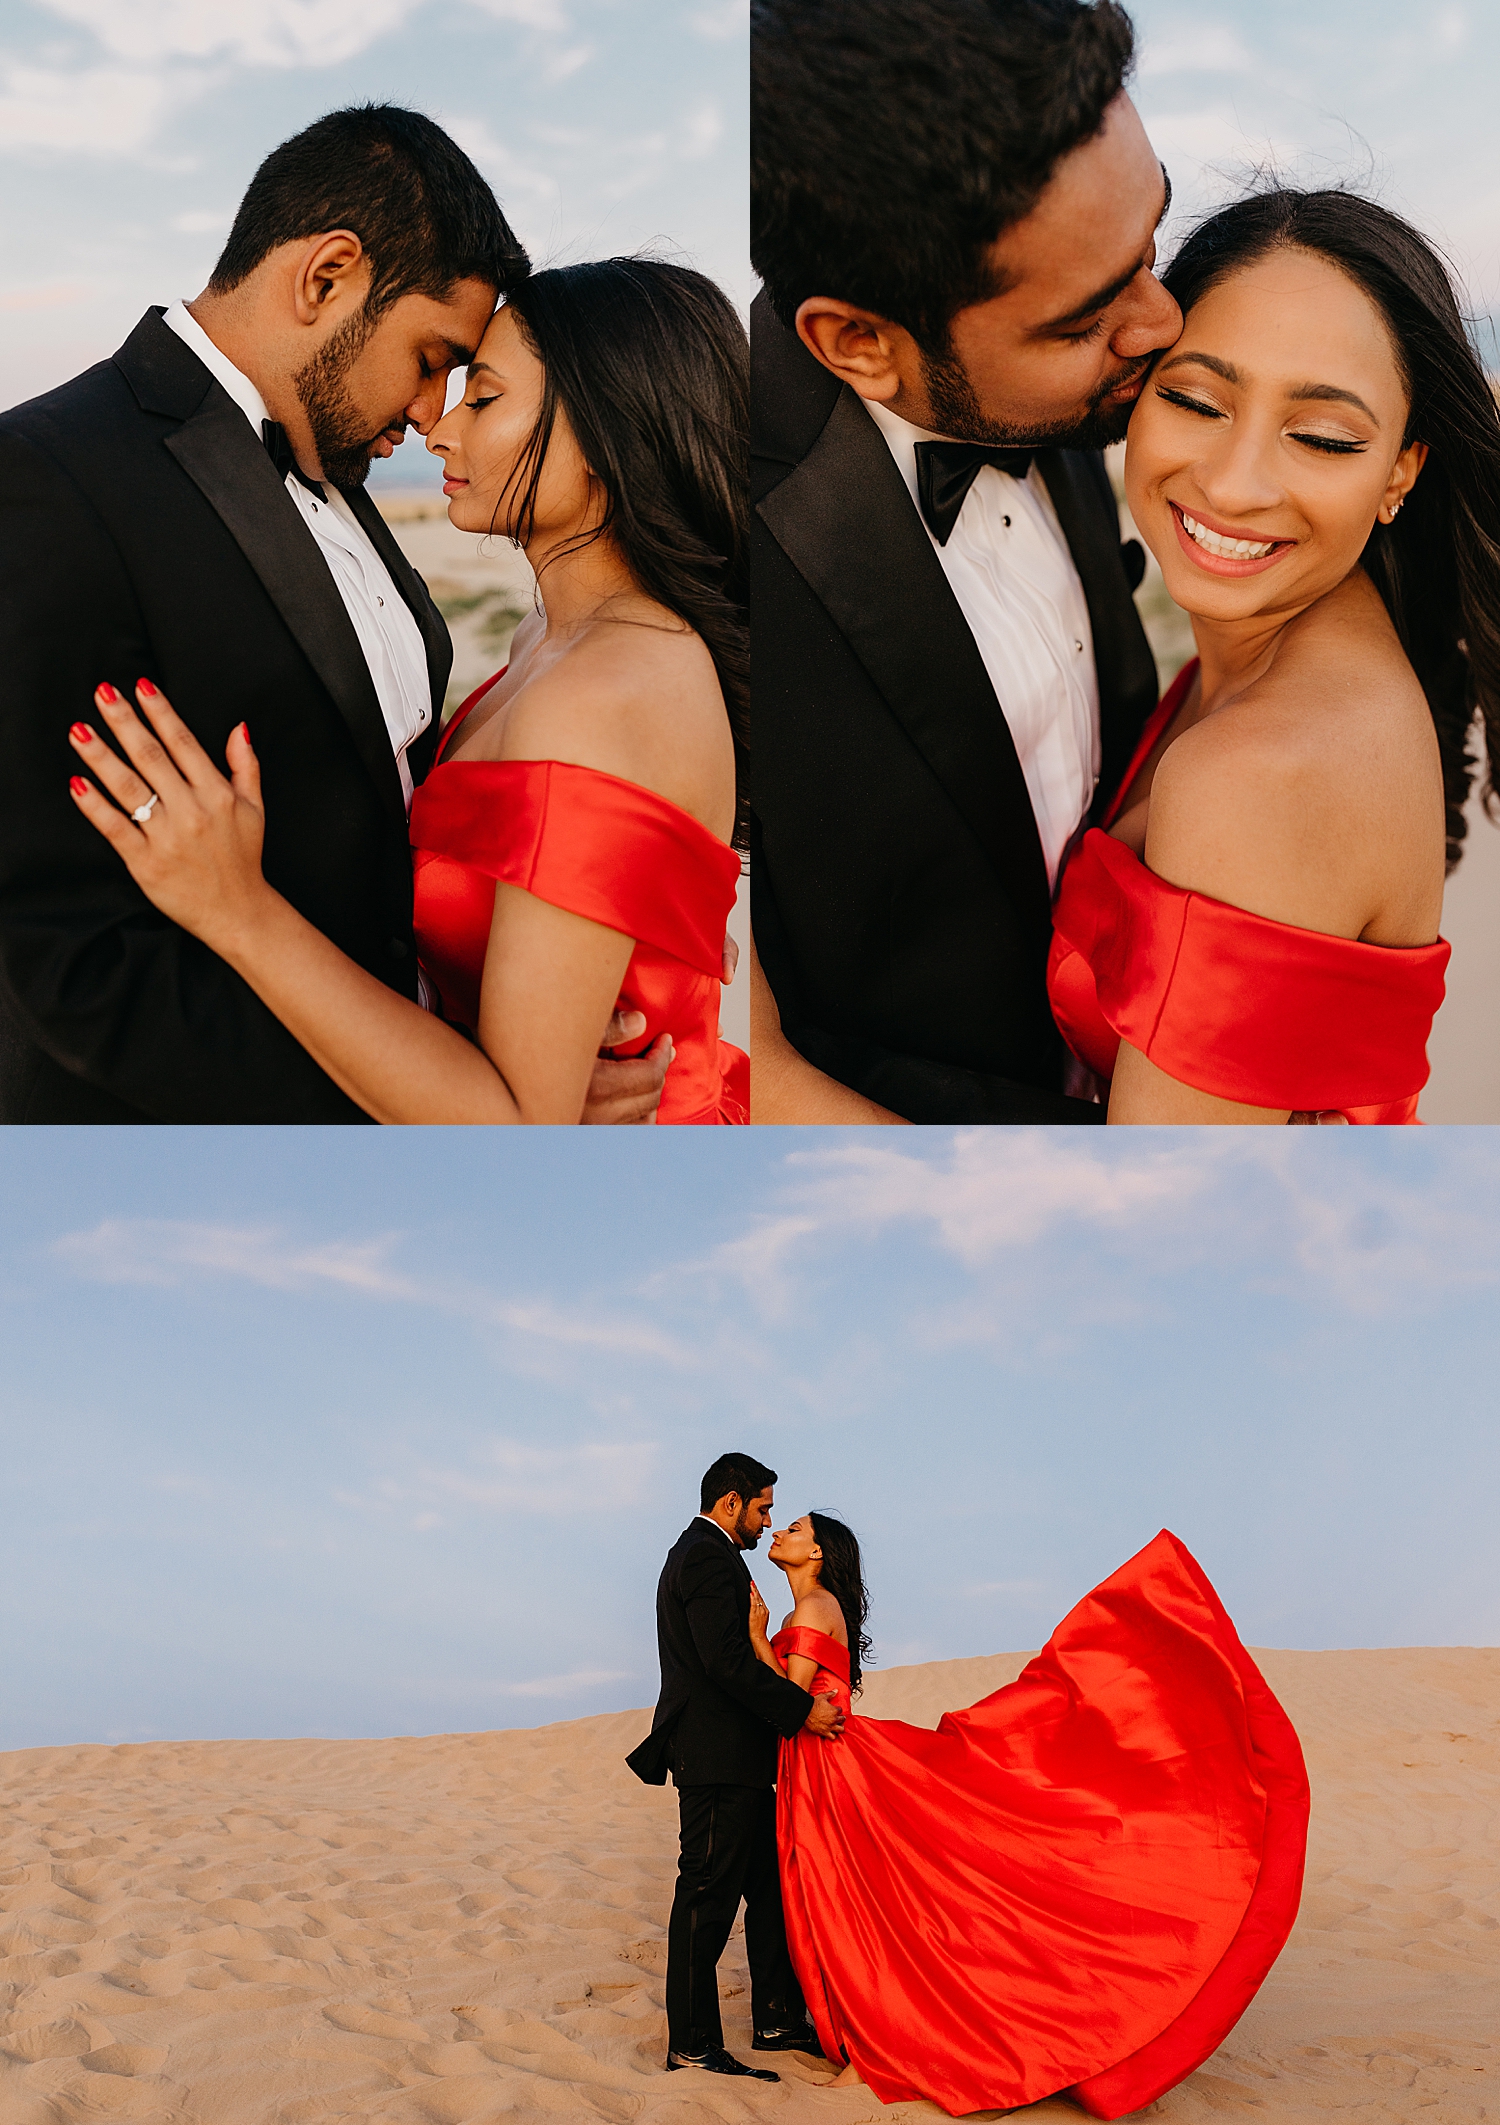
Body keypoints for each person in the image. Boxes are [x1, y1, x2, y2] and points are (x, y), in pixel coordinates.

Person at [0, 103, 668, 1124]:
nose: (429, 411)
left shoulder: (335, 456)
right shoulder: (46, 476)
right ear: (327, 277)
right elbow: (66, 963)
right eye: (432, 356)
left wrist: (504, 1064)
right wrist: (421, 1099)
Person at [64, 259, 751, 1124]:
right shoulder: (547, 640)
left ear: (610, 434)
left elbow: (517, 1129)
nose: (441, 428)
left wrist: (238, 910)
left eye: (484, 399)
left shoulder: (606, 691)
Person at [750, 0, 1173, 1123]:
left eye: (1154, 246)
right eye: (1085, 322)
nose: (1165, 321)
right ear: (857, 344)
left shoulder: (1053, 395)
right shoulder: (717, 527)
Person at [1049, 188, 1500, 1122]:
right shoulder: (1286, 647)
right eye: (1194, 399)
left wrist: (778, 1063)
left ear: (1400, 474)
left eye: (1323, 436)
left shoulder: (1267, 769)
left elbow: (1161, 1226)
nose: (1234, 482)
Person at [748, 1520, 1310, 2118]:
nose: (779, 1531)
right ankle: (878, 2043)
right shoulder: (810, 1608)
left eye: (796, 1526)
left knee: (868, 1902)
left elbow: (791, 1696)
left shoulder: (810, 1606)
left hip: (835, 1766)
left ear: (817, 1551)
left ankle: (887, 2049)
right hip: (826, 1764)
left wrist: (756, 1638)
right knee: (871, 1901)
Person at [625, 1454, 845, 2082]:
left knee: (769, 1895)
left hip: (741, 1762)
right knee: (705, 1897)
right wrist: (801, 1710)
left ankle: (776, 2019)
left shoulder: (711, 1556)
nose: (767, 1520)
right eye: (763, 1508)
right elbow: (724, 1663)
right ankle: (691, 2043)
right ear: (730, 1502)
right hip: (717, 1758)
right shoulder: (705, 1556)